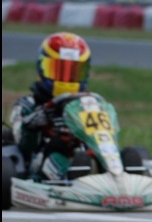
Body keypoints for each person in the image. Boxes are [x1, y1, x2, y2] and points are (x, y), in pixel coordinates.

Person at [8, 32, 92, 182]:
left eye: (72, 72)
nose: (66, 79)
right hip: (40, 162)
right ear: (42, 68)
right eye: (59, 70)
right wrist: (34, 124)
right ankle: (72, 177)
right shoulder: (27, 104)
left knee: (128, 154)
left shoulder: (88, 104)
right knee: (57, 149)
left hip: (83, 155)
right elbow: (24, 146)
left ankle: (121, 174)